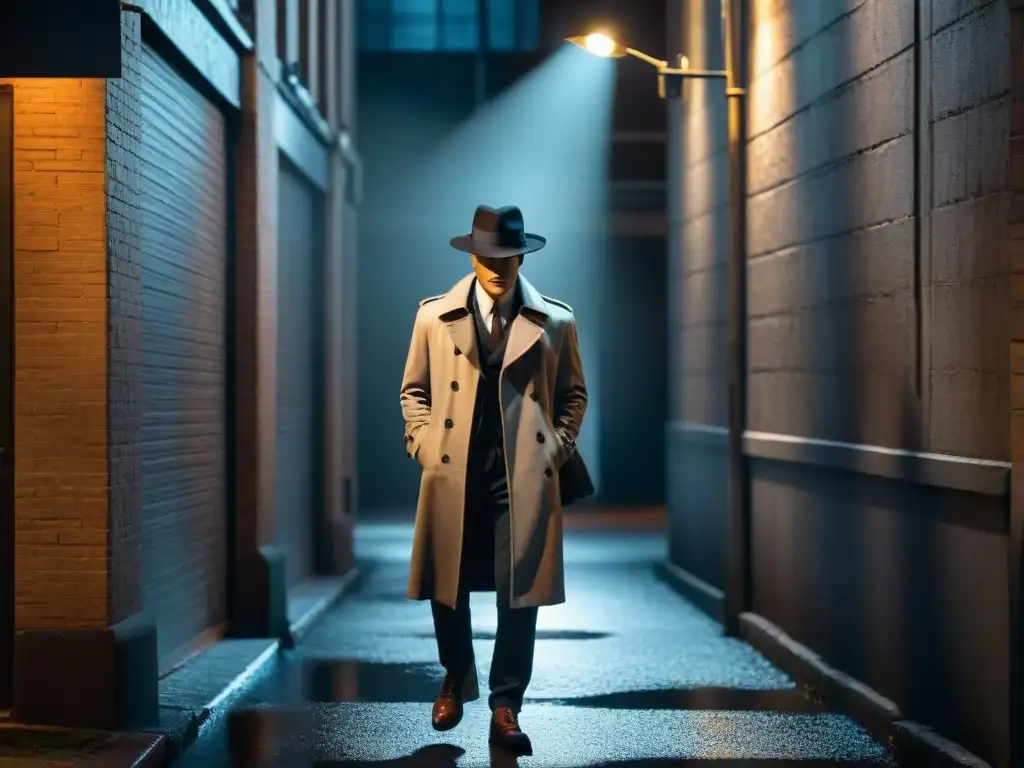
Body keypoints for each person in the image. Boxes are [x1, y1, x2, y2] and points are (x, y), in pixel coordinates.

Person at [399, 204, 589, 755]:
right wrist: (425, 444)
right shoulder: (434, 317)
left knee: (519, 592)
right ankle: (455, 680)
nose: (499, 268)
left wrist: (556, 447)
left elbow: (574, 393)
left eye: (508, 257)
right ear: (474, 256)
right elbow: (414, 391)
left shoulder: (555, 320)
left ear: (523, 255)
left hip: (522, 474)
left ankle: (506, 705)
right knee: (447, 583)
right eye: (489, 257)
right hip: (453, 469)